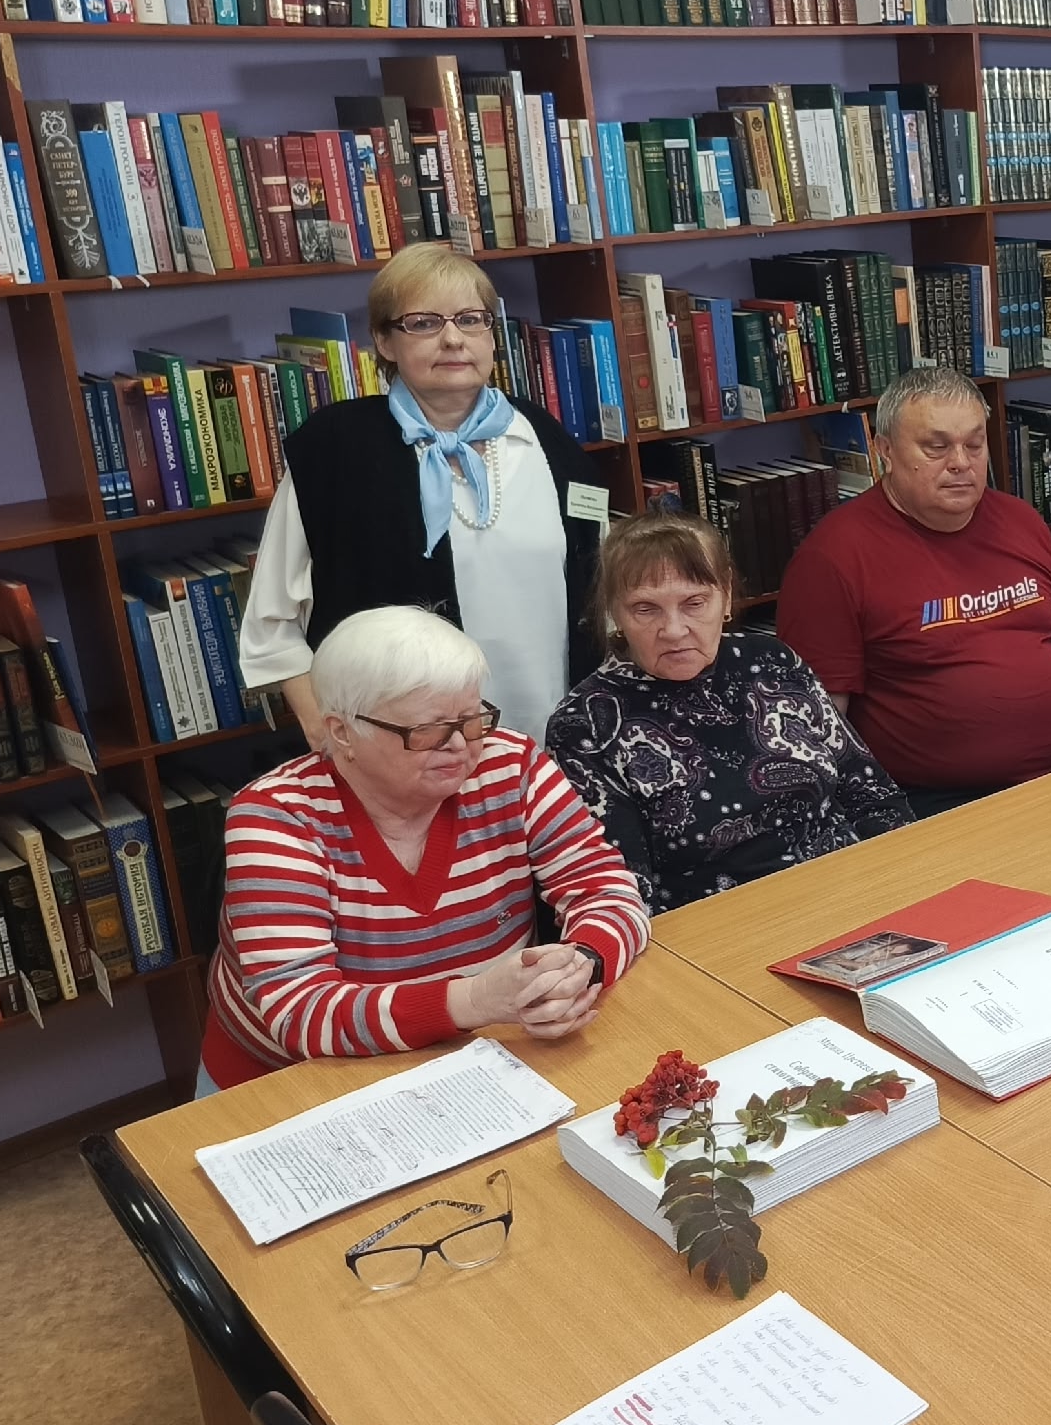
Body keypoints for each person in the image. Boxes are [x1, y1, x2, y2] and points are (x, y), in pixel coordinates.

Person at [201, 607, 646, 1095]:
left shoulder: (510, 765)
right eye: (427, 730)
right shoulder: (277, 816)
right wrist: (474, 1000)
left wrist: (583, 964)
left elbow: (608, 890)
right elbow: (301, 1012)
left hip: (480, 1058)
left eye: (471, 719)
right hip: (288, 1085)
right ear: (343, 731)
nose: (459, 745)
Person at [238, 243, 607, 742]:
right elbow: (271, 621)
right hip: (399, 751)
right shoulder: (333, 450)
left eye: (471, 319)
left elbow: (599, 590)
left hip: (552, 743)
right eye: (424, 323)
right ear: (384, 341)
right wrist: (327, 735)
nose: (453, 339)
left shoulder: (547, 438)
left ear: (492, 334)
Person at [778, 367, 1051, 815]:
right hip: (933, 801)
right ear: (885, 450)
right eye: (936, 447)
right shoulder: (832, 557)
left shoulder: (1021, 521)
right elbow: (821, 720)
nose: (960, 462)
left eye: (974, 444)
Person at [545, 515, 910, 913]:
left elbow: (873, 796)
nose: (674, 629)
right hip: (722, 924)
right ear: (614, 612)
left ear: (726, 595)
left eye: (694, 603)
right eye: (645, 609)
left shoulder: (773, 662)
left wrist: (910, 882)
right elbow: (622, 894)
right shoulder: (585, 724)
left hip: (855, 889)